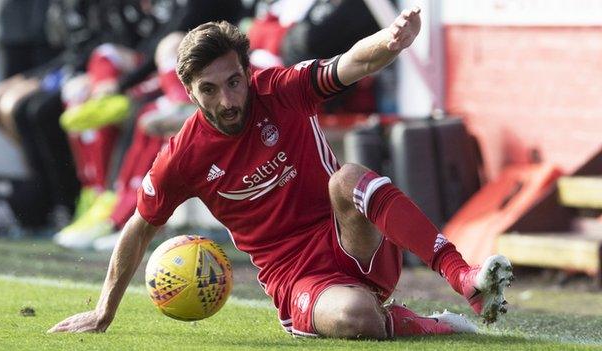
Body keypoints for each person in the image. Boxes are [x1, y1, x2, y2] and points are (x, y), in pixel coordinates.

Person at [49, 8, 514, 338]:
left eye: (234, 82)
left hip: (349, 237)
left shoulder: (281, 90)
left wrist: (390, 40)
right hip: (296, 279)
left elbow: (352, 63)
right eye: (209, 90)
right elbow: (139, 225)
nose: (228, 101)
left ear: (246, 72)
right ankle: (425, 324)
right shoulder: (183, 156)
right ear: (189, 93)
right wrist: (103, 310)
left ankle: (463, 278)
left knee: (346, 179)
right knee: (360, 321)